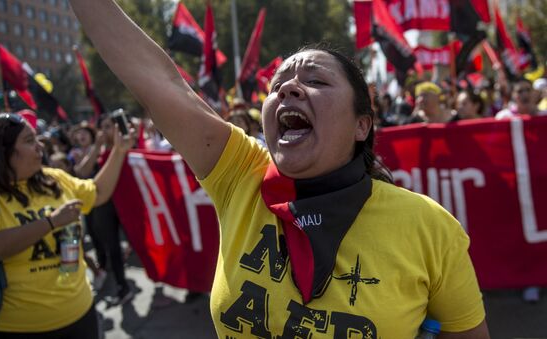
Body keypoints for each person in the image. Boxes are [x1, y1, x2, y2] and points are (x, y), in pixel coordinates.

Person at [70, 0, 490, 337]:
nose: (288, 87)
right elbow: (157, 81)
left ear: (363, 124)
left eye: (317, 81)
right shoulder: (240, 174)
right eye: (278, 85)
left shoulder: (431, 228)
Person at [0, 113, 135, 337]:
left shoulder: (53, 178)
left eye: (37, 138)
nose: (40, 146)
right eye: (29, 141)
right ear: (2, 150)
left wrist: (118, 151)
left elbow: (97, 193)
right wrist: (51, 222)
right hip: (18, 328)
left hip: (80, 314)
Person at [75, 112, 133, 304]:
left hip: (127, 204)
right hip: (105, 207)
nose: (107, 131)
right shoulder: (96, 152)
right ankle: (122, 286)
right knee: (113, 247)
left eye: (111, 126)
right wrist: (97, 147)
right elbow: (82, 172)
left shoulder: (127, 148)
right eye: (104, 127)